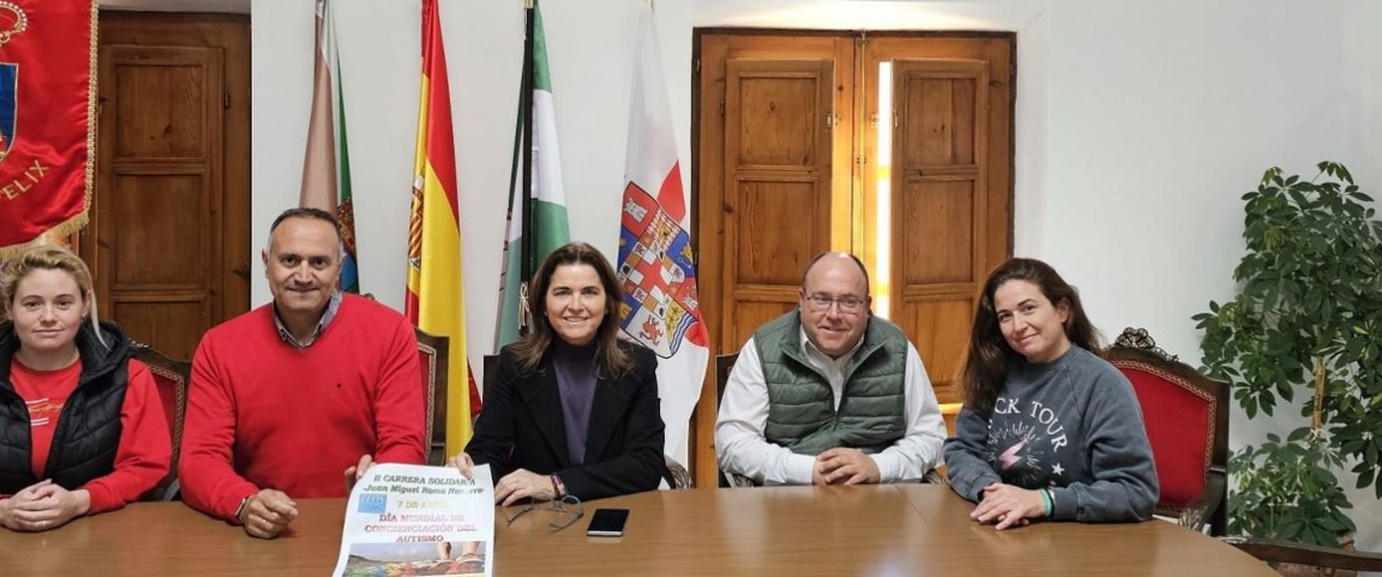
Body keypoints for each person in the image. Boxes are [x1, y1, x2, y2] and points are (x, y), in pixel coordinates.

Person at [179, 207, 425, 538]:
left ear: (339, 269)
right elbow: (199, 459)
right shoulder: (220, 346)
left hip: (360, 524)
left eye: (319, 263)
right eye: (290, 261)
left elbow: (405, 442)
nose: (304, 275)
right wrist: (244, 503)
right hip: (262, 531)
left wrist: (377, 487)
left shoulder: (390, 332)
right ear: (266, 263)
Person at [0, 244, 169, 529]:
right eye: (32, 304)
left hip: (101, 535)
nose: (49, 316)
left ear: (85, 305)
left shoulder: (129, 377)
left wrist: (80, 501)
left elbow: (146, 467)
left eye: (63, 303)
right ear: (9, 308)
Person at [943, 257, 1159, 529]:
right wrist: (991, 493)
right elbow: (962, 450)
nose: (1017, 325)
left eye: (1028, 308)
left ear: (1062, 310)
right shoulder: (993, 373)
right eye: (1005, 316)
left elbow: (1135, 492)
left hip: (1078, 542)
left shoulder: (1103, 384)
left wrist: (1043, 501)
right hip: (1001, 531)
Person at [448, 242, 665, 504]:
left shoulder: (638, 365)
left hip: (615, 515)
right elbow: (490, 450)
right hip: (534, 521)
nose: (575, 305)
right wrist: (469, 469)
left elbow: (646, 465)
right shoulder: (514, 363)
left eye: (589, 292)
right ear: (542, 304)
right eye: (562, 293)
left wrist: (557, 483)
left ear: (607, 303)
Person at [714, 251, 944, 486]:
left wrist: (879, 466)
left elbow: (930, 437)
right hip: (788, 502)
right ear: (802, 300)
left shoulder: (896, 348)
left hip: (882, 499)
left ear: (867, 306)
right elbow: (733, 442)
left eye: (849, 301)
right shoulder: (764, 348)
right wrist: (807, 470)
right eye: (822, 299)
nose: (834, 314)